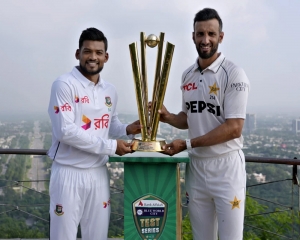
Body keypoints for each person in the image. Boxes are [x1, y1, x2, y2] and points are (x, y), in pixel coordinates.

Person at [158, 8, 250, 240]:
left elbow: (234, 128)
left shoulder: (234, 74)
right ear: (193, 37)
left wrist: (188, 143)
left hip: (226, 168)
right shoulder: (187, 75)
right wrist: (167, 116)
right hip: (196, 169)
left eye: (211, 33)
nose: (205, 39)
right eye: (200, 34)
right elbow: (190, 117)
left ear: (221, 37)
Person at [47, 27, 141, 240]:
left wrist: (128, 129)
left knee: (98, 236)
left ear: (106, 57)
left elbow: (109, 124)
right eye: (87, 51)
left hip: (98, 172)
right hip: (68, 172)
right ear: (77, 54)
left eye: (98, 52)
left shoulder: (110, 91)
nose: (92, 57)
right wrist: (112, 146)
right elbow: (65, 131)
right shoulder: (64, 84)